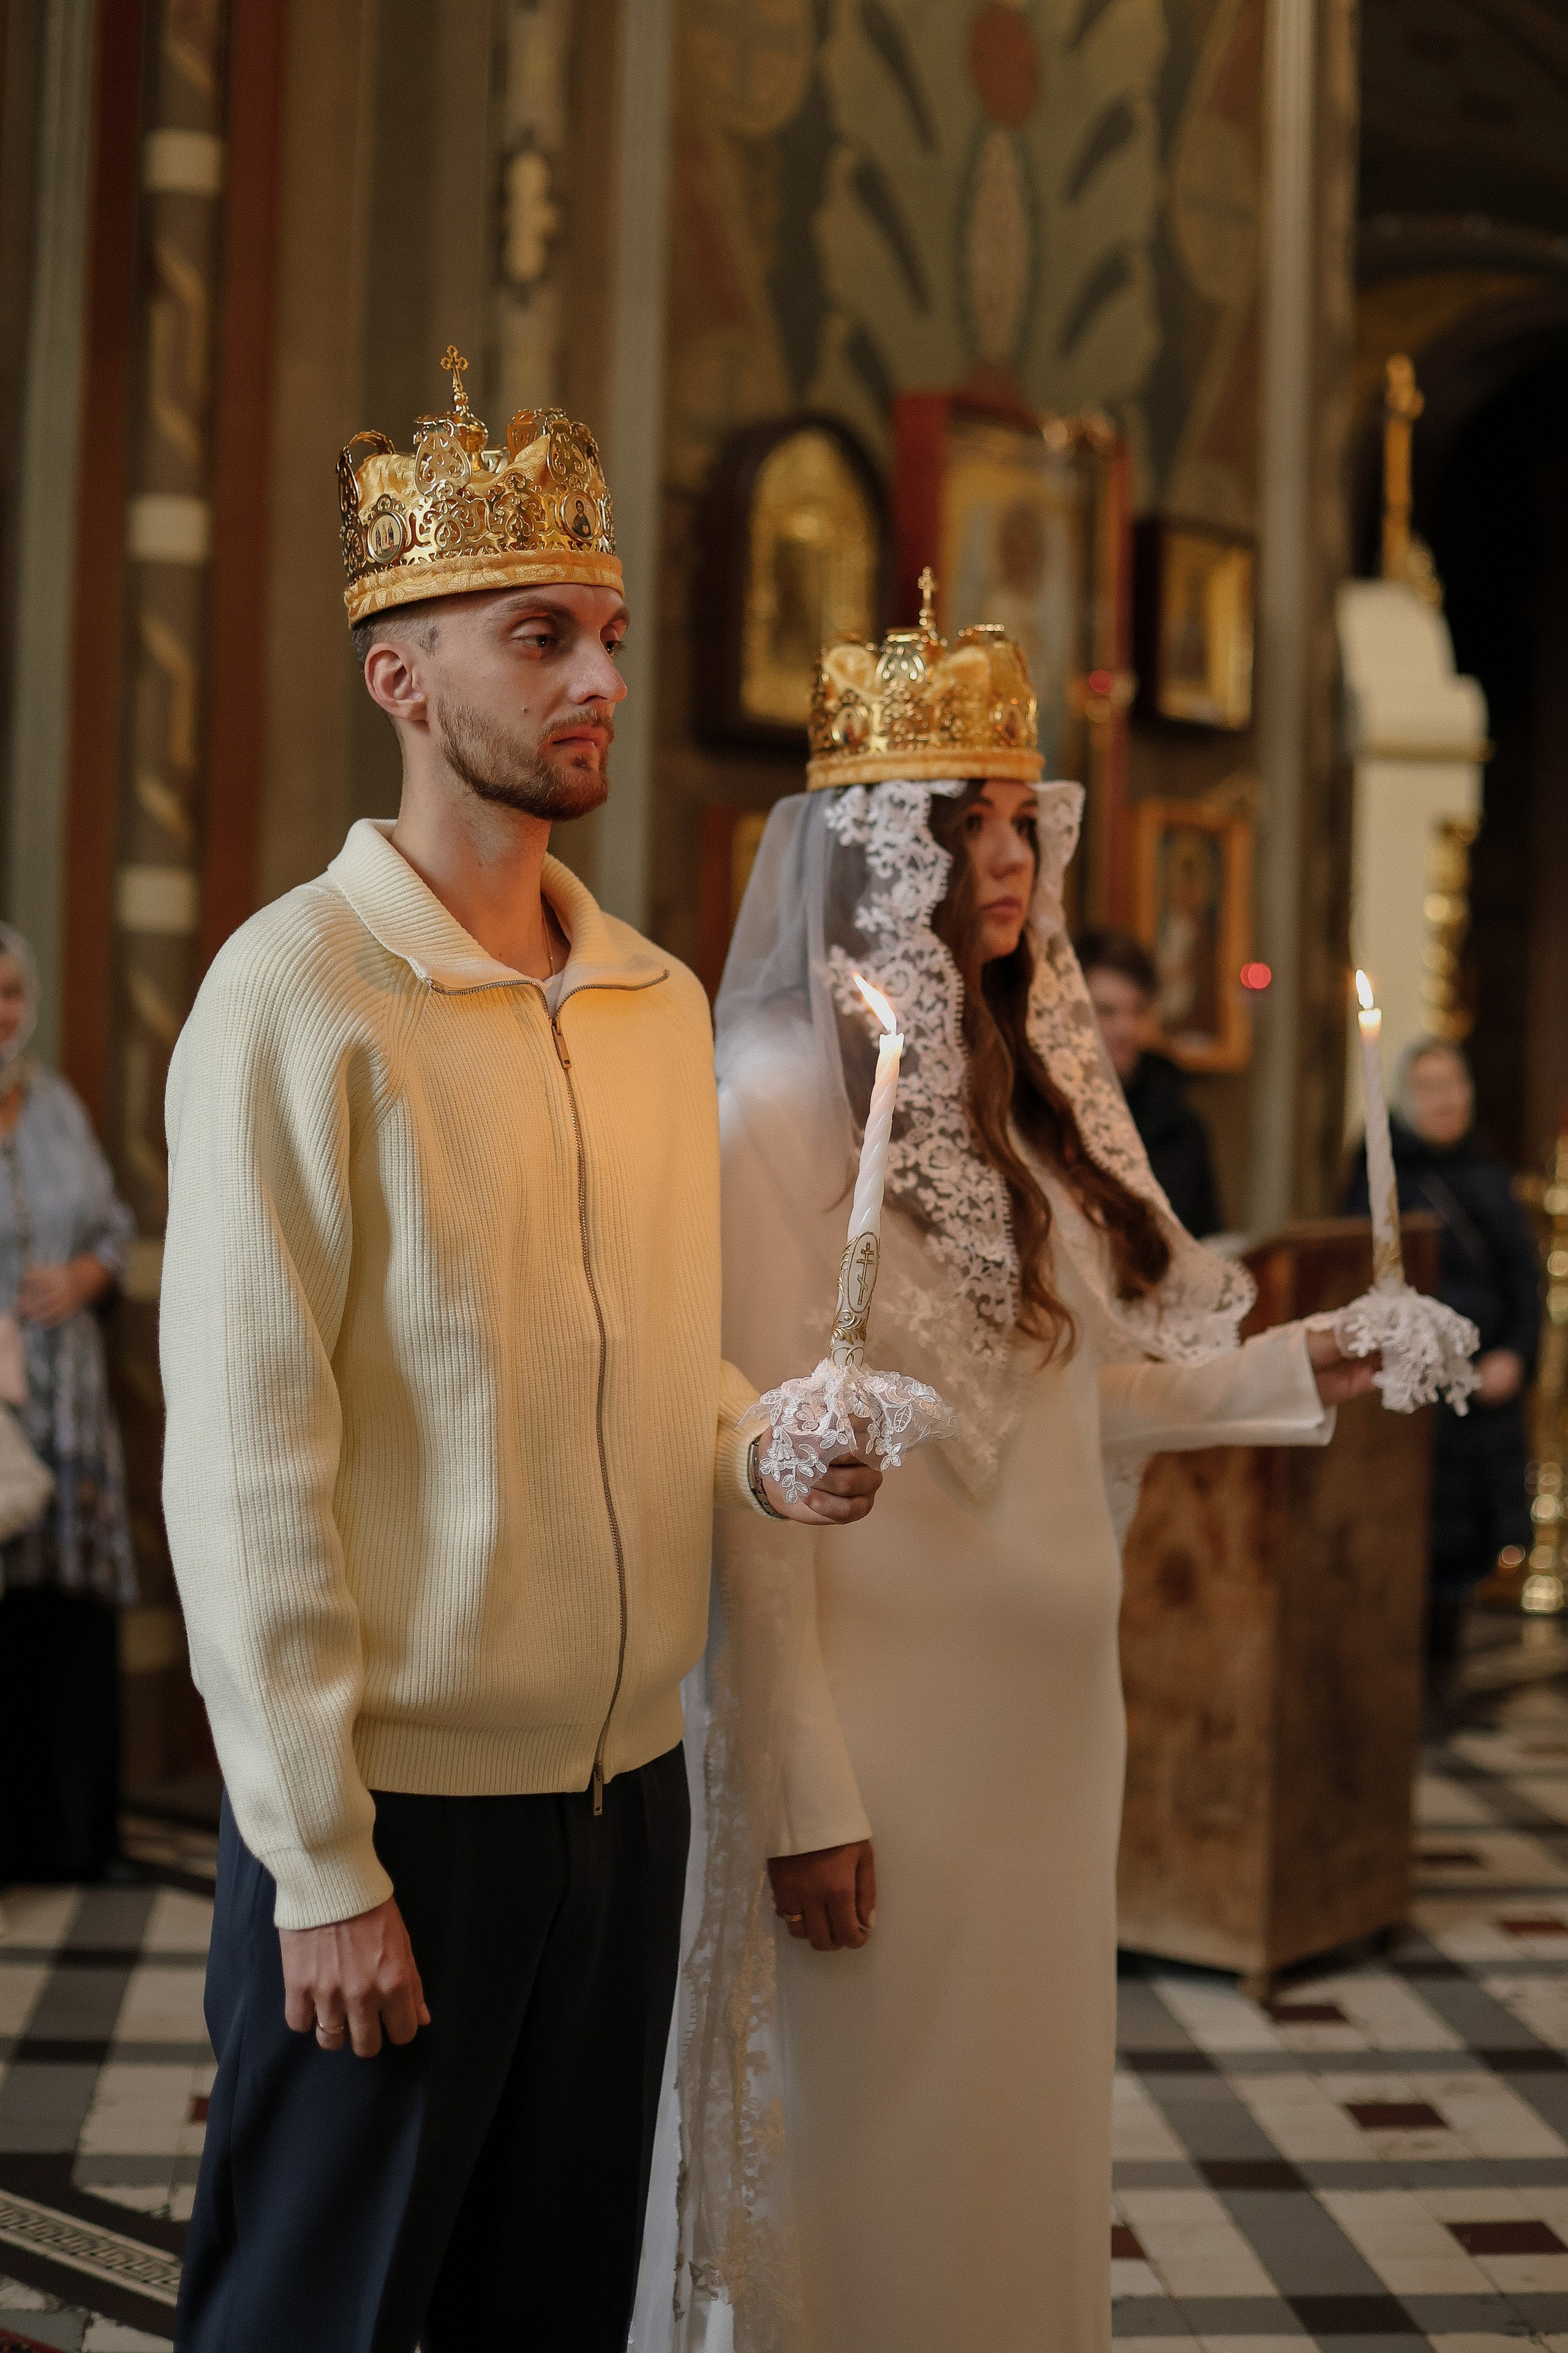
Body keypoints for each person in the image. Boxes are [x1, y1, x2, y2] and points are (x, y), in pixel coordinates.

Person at [160, 353, 878, 2353]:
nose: (600, 684)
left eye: (613, 639)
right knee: (319, 2310)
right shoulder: (294, 1002)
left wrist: (760, 1450)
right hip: (401, 1812)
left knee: (547, 2311)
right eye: (540, 635)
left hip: (622, 1803)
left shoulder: (650, 1001)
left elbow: (652, 1378)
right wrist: (318, 1864)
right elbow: (242, 1468)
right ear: (400, 675)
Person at [669, 597, 1376, 2353]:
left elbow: (1066, 1404)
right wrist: (801, 1778)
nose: (1008, 860)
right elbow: (747, 1458)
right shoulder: (765, 1101)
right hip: (885, 1732)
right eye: (961, 824)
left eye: (1019, 821)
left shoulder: (1017, 1098)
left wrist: (1298, 1366)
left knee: (1018, 2128)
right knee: (866, 2145)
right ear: (873, 857)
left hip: (1047, 1732)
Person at [0, 925, 136, 1887]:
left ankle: (79, 1839)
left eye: (12, 993)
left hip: (72, 1402)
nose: (2, 1013)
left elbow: (117, 1226)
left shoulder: (54, 1106)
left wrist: (89, 1271)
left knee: (71, 1621)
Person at [1344, 1036, 1539, 1693]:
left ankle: (1445, 1681)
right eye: (1428, 1087)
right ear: (1404, 1099)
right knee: (1412, 1542)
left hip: (1485, 1397)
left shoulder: (1489, 1175)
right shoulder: (1381, 1173)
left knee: (1468, 1545)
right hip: (1421, 1396)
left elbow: (1522, 1282)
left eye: (1453, 1084)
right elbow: (1372, 1281)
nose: (1444, 1100)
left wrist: (1514, 1354)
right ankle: (1404, 1690)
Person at [1076, 923, 1222, 1236]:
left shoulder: (1179, 1123)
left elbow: (1205, 1240)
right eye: (1105, 1011)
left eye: (1138, 1011)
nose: (1127, 1029)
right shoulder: (1046, 1111)